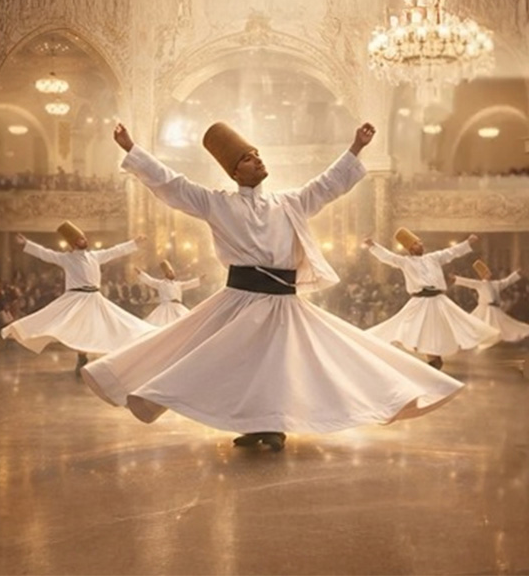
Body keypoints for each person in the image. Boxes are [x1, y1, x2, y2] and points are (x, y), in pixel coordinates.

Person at [82, 121, 463, 452]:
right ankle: (256, 423)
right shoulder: (217, 203)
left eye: (258, 154)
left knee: (287, 363)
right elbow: (173, 184)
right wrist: (133, 149)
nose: (258, 159)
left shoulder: (289, 203)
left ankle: (273, 425)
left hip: (283, 300)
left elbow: (327, 185)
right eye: (248, 157)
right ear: (234, 171)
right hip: (240, 299)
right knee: (234, 364)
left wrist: (357, 147)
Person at [1, 222, 154, 375]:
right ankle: (81, 356)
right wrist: (27, 243)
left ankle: (95, 356)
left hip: (94, 297)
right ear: (74, 243)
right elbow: (46, 254)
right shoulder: (67, 258)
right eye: (81, 239)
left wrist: (134, 243)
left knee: (109, 324)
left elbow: (115, 251)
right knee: (72, 326)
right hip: (76, 298)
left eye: (84, 238)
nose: (85, 240)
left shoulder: (95, 256)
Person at [363, 229, 499, 370]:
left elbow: (450, 252)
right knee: (416, 327)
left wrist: (467, 243)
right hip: (420, 301)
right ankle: (432, 358)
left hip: (438, 299)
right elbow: (388, 257)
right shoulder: (405, 262)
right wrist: (373, 246)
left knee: (452, 323)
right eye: (416, 243)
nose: (421, 245)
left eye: (420, 242)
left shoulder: (433, 258)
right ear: (410, 248)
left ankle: (436, 355)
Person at [452, 260, 529, 349]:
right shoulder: (479, 284)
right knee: (475, 325)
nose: (488, 274)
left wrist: (516, 274)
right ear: (482, 275)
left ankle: (497, 339)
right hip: (484, 309)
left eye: (488, 272)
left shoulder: (495, 284)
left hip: (494, 309)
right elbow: (468, 282)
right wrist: (456, 279)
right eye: (485, 273)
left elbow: (507, 281)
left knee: (504, 324)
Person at [134, 261, 203, 326]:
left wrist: (199, 279)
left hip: (178, 308)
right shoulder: (161, 284)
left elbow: (189, 284)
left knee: (186, 322)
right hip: (166, 308)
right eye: (170, 272)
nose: (172, 273)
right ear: (166, 274)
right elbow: (150, 281)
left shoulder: (178, 284)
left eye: (172, 272)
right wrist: (140, 273)